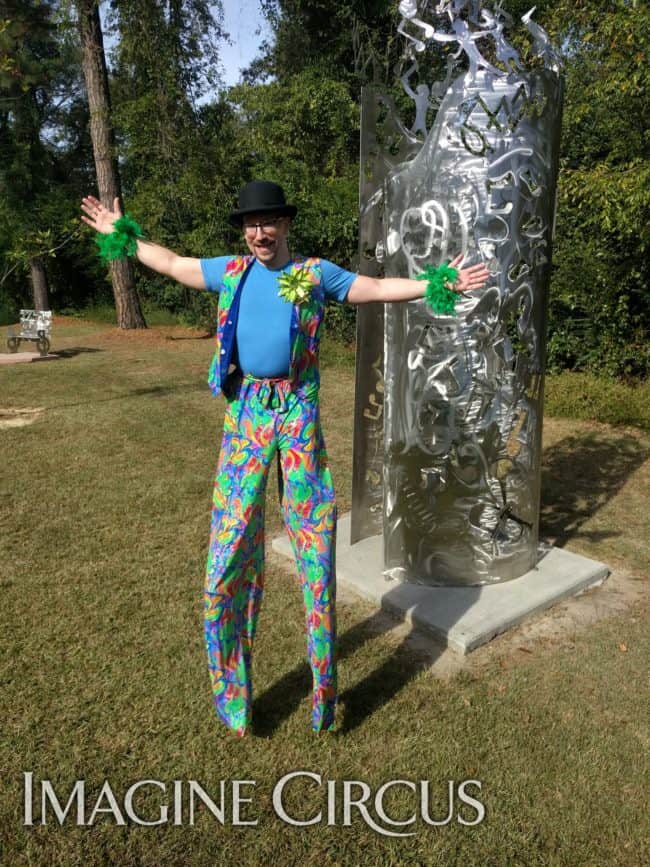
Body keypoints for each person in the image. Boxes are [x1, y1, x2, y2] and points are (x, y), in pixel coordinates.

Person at [81, 179, 490, 736]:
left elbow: (373, 287)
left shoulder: (314, 274)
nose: (260, 232)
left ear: (285, 225)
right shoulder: (232, 271)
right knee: (228, 550)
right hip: (246, 416)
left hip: (296, 414)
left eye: (269, 222)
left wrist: (433, 283)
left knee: (315, 549)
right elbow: (173, 263)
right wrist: (125, 238)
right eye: (252, 224)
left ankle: (324, 697)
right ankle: (234, 698)